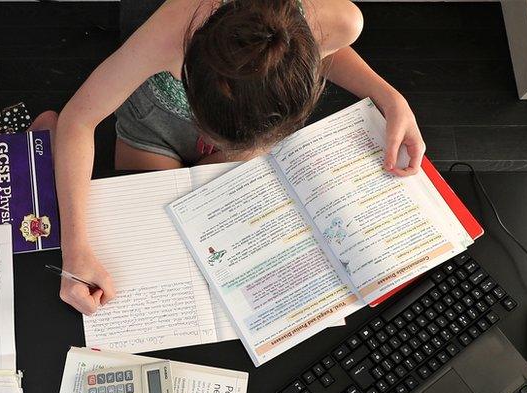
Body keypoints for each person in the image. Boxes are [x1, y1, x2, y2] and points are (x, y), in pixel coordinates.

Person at [53, 0, 426, 314]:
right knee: (150, 243)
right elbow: (79, 119)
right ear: (187, 72)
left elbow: (325, 49)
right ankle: (44, 142)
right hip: (156, 123)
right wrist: (75, 250)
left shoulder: (341, 19)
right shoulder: (175, 24)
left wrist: (390, 98)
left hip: (246, 131)